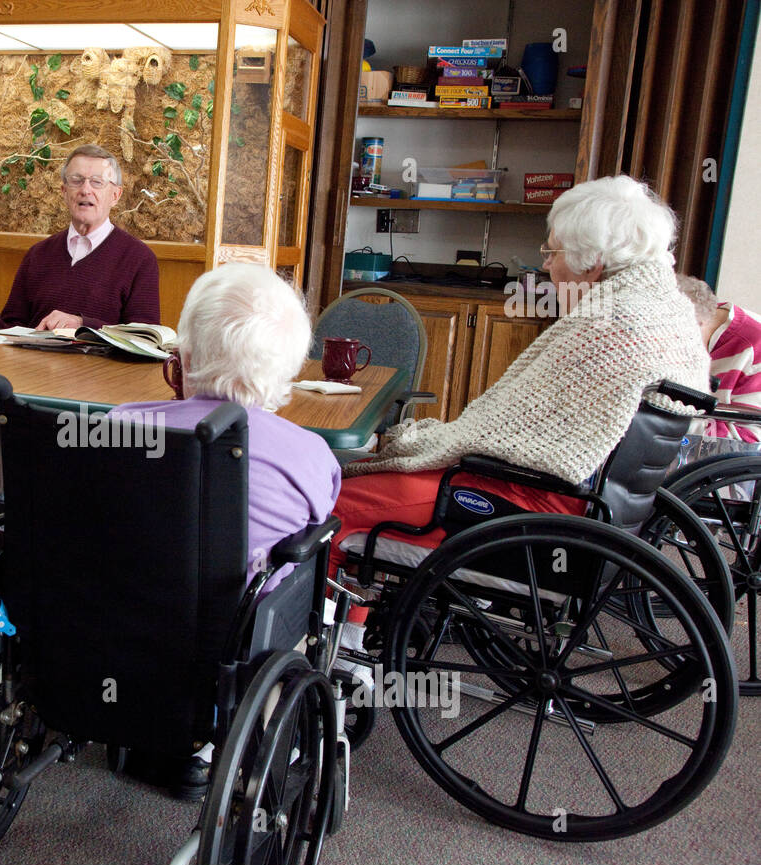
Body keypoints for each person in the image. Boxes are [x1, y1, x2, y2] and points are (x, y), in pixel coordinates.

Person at [330, 175, 711, 582]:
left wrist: (438, 440)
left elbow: (502, 436)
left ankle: (337, 635)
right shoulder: (667, 313)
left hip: (534, 508)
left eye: (553, 251)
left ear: (593, 261)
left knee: (330, 507)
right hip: (589, 510)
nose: (546, 265)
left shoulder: (605, 327)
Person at [109, 263, 340, 800]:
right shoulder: (310, 455)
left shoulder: (120, 424)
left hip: (118, 624)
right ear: (286, 375)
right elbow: (310, 535)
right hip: (235, 642)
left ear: (182, 359)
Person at [0, 143, 160, 331]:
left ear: (115, 195)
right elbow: (14, 326)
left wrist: (82, 324)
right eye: (76, 180)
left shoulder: (139, 259)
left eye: (97, 182)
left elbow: (144, 339)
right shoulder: (38, 255)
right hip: (33, 365)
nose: (85, 190)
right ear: (64, 191)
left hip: (97, 367)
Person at [678, 274, 761, 443]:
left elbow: (749, 442)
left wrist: (665, 415)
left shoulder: (754, 348)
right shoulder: (704, 314)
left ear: (693, 323)